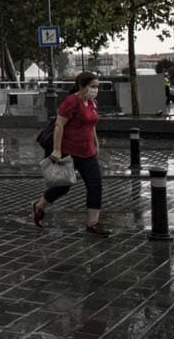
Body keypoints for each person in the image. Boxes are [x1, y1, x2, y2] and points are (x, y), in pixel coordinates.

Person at [32, 71, 111, 237]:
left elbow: (92, 124)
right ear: (82, 86)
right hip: (69, 152)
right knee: (62, 186)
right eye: (92, 86)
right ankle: (39, 206)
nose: (95, 90)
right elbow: (59, 125)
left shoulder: (92, 103)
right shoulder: (71, 102)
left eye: (97, 87)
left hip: (87, 152)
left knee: (95, 185)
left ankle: (93, 224)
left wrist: (96, 143)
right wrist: (57, 150)